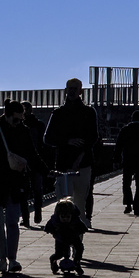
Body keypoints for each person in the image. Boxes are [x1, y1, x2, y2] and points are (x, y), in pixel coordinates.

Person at [0, 100, 37, 273]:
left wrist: (46, 170)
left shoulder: (21, 130)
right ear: (7, 116)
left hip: (12, 183)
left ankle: (11, 259)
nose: (19, 123)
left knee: (11, 223)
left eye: (21, 119)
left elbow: (32, 154)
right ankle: (3, 259)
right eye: (17, 119)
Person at [43, 77, 100, 227]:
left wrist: (79, 157)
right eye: (70, 88)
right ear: (66, 90)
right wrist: (67, 141)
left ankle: (77, 243)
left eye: (75, 88)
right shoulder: (58, 113)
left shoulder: (89, 112)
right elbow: (47, 138)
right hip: (63, 166)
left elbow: (93, 137)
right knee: (62, 206)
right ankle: (62, 244)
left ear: (81, 91)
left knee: (80, 204)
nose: (72, 91)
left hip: (83, 165)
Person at [17, 100, 50, 228]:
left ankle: (34, 214)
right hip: (27, 163)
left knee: (34, 190)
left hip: (33, 162)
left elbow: (43, 145)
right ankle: (28, 217)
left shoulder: (33, 125)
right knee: (28, 191)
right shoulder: (34, 125)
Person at [115, 109, 139, 216]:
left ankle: (128, 204)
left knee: (126, 183)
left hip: (128, 159)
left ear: (132, 118)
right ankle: (137, 206)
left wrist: (117, 159)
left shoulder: (126, 129)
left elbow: (119, 145)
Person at [43, 197, 88, 275]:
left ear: (72, 215)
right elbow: (49, 226)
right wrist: (51, 231)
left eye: (68, 217)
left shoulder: (75, 220)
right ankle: (53, 260)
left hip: (73, 236)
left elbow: (82, 227)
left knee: (79, 248)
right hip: (60, 238)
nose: (65, 219)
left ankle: (77, 262)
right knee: (59, 254)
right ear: (59, 215)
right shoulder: (55, 220)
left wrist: (81, 231)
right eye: (63, 217)